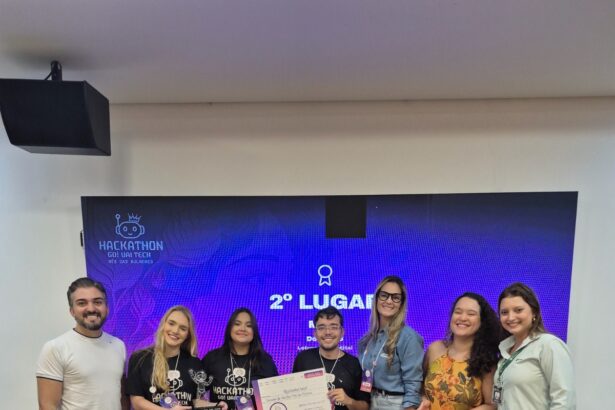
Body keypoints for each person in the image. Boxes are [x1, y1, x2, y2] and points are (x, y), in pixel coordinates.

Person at [36, 277, 127, 410]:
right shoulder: (55, 348)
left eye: (98, 302)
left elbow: (122, 397)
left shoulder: (118, 345)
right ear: (72, 311)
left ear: (106, 308)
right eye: (82, 303)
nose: (91, 308)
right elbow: (48, 405)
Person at [494, 283, 575, 409]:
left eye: (518, 310)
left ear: (534, 312)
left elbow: (564, 400)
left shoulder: (549, 345)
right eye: (504, 312)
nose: (510, 317)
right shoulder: (505, 350)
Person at [126, 306, 225, 409]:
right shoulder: (139, 359)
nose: (175, 330)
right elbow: (136, 402)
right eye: (171, 323)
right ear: (163, 324)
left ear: (188, 334)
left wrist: (216, 405)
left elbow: (194, 401)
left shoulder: (194, 363)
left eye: (183, 328)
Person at [418, 293, 503, 410]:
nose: (462, 318)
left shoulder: (487, 361)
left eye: (471, 314)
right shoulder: (435, 349)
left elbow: (493, 405)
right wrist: (423, 400)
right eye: (458, 312)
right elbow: (419, 388)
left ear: (482, 322)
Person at [358, 275, 424, 410]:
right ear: (376, 299)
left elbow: (413, 387)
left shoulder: (409, 338)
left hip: (395, 404)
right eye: (384, 295)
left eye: (395, 297)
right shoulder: (367, 340)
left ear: (401, 304)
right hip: (371, 402)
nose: (389, 301)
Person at [293, 306, 370, 410]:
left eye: (333, 327)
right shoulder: (303, 358)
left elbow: (366, 406)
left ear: (342, 332)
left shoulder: (356, 364)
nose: (327, 332)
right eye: (321, 327)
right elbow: (293, 398)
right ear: (315, 333)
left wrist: (348, 400)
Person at [202, 308, 278, 409]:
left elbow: (276, 399)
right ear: (230, 328)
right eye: (237, 324)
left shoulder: (265, 361)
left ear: (254, 331)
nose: (242, 328)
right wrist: (214, 406)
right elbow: (196, 397)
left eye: (249, 326)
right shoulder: (212, 358)